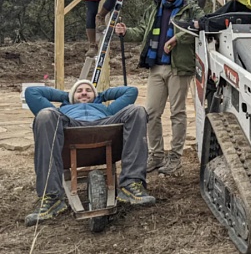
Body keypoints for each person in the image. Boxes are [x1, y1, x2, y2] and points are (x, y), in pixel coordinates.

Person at [24, 80, 154, 226]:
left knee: (137, 110)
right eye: (79, 91)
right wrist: (67, 96)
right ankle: (51, 198)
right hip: (71, 127)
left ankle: (131, 185)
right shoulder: (62, 111)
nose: (84, 93)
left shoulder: (108, 109)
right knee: (45, 115)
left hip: (104, 128)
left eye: (88, 90)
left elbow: (131, 91)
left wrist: (101, 96)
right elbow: (32, 92)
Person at [115, 0, 203, 175]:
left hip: (179, 67)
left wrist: (177, 38)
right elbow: (142, 31)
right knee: (151, 113)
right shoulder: (154, 8)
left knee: (177, 113)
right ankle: (156, 155)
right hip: (156, 66)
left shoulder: (191, 8)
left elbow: (200, 27)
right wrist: (126, 32)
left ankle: (175, 157)